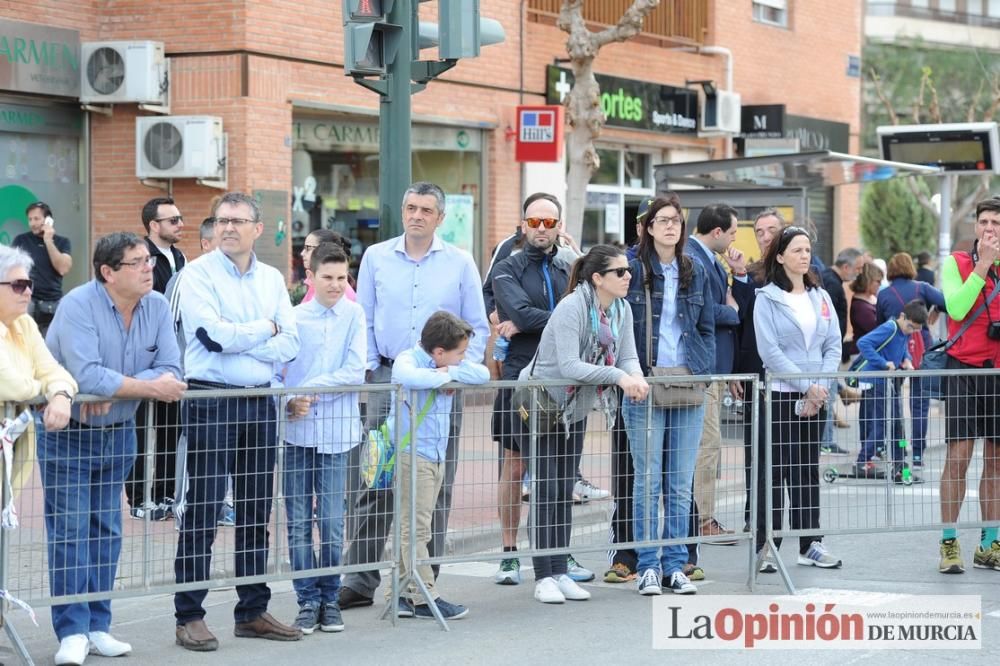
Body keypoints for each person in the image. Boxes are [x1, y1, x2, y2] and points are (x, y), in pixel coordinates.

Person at [339, 181, 490, 610]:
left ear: (440, 218)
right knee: (376, 478)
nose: (416, 215)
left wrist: (455, 374)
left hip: (441, 385)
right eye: (410, 207)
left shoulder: (460, 262)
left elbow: (476, 326)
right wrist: (371, 371)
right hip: (389, 379)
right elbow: (363, 317)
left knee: (435, 484)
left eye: (426, 209)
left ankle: (424, 580)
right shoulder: (375, 257)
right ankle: (361, 578)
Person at [40, 232, 186, 665]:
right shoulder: (78, 306)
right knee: (69, 533)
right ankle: (71, 631)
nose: (148, 268)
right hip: (69, 436)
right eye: (137, 262)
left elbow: (173, 371)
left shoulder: (157, 305)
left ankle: (98, 625)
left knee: (108, 531)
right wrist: (141, 386)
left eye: (148, 260)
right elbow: (85, 375)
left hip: (120, 433)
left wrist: (119, 386)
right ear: (108, 272)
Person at [173, 192, 301, 651]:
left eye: (237, 220)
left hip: (260, 402)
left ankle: (252, 611)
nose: (228, 227)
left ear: (257, 229)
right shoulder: (196, 275)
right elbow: (210, 338)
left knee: (255, 510)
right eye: (221, 220)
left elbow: (292, 342)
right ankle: (188, 615)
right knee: (204, 511)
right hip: (211, 400)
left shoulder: (271, 279)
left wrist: (246, 338)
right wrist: (264, 329)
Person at [513, 244, 648, 604]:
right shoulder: (572, 306)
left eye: (628, 270)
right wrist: (620, 377)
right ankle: (543, 575)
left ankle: (559, 570)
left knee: (564, 489)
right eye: (620, 272)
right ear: (598, 278)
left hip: (575, 408)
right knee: (547, 488)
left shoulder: (621, 309)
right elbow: (571, 365)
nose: (627, 276)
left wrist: (635, 376)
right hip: (542, 404)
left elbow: (629, 355)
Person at [623, 195, 715, 596]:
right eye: (662, 220)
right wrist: (628, 372)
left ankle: (675, 564)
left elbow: (707, 325)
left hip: (687, 381)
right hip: (644, 381)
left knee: (679, 482)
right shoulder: (631, 268)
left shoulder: (694, 269)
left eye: (676, 220)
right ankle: (646, 565)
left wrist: (703, 371)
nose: (670, 226)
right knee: (647, 481)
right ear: (647, 227)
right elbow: (616, 321)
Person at [276, 243, 365, 635]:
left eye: (342, 278)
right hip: (297, 432)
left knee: (329, 521)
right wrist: (289, 400)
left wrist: (310, 387)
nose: (335, 284)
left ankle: (331, 597)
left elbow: (355, 370)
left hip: (338, 433)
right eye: (327, 277)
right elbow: (276, 374)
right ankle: (306, 600)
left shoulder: (355, 315)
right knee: (297, 522)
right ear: (308, 277)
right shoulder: (293, 318)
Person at [490, 192, 572, 586]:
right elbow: (518, 311)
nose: (542, 229)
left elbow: (591, 310)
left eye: (549, 222)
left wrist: (530, 321)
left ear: (559, 226)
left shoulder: (570, 265)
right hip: (522, 375)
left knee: (559, 469)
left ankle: (559, 552)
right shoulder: (508, 266)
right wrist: (545, 320)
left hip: (565, 377)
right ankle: (509, 554)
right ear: (523, 224)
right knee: (517, 463)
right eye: (534, 222)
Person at [753, 225, 843, 571]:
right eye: (796, 250)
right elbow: (770, 351)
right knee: (775, 472)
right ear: (780, 257)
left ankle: (811, 544)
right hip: (781, 396)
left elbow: (833, 342)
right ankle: (767, 546)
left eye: (807, 250)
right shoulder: (767, 298)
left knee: (806, 470)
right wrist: (806, 384)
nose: (804, 256)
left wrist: (819, 387)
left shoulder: (820, 296)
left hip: (816, 398)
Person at [391, 311, 489, 619]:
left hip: (434, 454)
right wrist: (446, 375)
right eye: (459, 353)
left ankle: (404, 593)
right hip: (412, 454)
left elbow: (483, 374)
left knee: (417, 527)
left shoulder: (448, 364)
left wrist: (451, 370)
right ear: (438, 352)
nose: (463, 359)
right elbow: (410, 377)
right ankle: (423, 596)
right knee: (415, 529)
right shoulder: (407, 359)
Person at [937, 196, 1000, 575]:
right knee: (958, 458)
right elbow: (957, 309)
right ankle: (948, 542)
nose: (990, 229)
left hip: (998, 374)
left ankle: (990, 542)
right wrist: (983, 266)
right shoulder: (957, 263)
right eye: (985, 222)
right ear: (975, 227)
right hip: (962, 370)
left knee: (995, 463)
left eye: (996, 223)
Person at [0, 244, 76, 515]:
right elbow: (12, 384)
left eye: (29, 283)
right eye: (18, 285)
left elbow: (55, 371)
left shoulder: (25, 324)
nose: (29, 291)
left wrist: (61, 396)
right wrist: (41, 390)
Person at [127, 197, 188, 521]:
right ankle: (137, 497)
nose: (180, 224)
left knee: (169, 427)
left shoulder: (179, 256)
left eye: (180, 218)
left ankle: (164, 493)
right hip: (141, 358)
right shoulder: (141, 258)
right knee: (138, 429)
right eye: (173, 219)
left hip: (171, 358)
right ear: (154, 225)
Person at [684, 203, 741, 544]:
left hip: (716, 369)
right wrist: (732, 311)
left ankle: (701, 516)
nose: (735, 238)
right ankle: (701, 519)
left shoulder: (711, 260)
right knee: (707, 445)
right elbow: (704, 310)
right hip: (703, 369)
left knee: (709, 445)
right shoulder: (694, 258)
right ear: (717, 232)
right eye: (733, 232)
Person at [731, 208, 784, 539]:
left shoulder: (799, 271)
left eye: (771, 230)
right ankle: (756, 515)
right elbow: (739, 323)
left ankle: (792, 519)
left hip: (789, 375)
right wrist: (735, 371)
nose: (764, 236)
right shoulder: (749, 274)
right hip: (755, 372)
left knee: (788, 451)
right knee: (756, 448)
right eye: (760, 231)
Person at [875, 252, 945, 467]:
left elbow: (879, 324)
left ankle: (897, 452)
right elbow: (947, 301)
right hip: (921, 351)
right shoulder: (922, 288)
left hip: (894, 354)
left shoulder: (884, 294)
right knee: (919, 405)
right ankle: (917, 455)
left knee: (894, 405)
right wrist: (935, 311)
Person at [854, 300, 928, 482]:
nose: (911, 332)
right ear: (903, 317)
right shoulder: (891, 327)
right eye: (910, 327)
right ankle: (862, 461)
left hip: (889, 383)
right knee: (882, 426)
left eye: (915, 330)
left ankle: (899, 465)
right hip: (877, 382)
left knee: (897, 426)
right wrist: (882, 363)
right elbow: (863, 343)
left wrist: (907, 360)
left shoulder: (903, 330)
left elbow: (902, 349)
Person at [11, 201, 72, 336]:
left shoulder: (62, 242)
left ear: (48, 220)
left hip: (53, 303)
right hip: (27, 301)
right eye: (30, 219)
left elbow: (63, 268)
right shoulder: (21, 240)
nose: (32, 223)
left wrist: (48, 240)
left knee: (49, 347)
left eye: (37, 219)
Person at [300, 229, 356, 303]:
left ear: (324, 249)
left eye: (308, 248)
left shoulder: (338, 293)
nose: (302, 253)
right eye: (327, 277)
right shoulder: (315, 284)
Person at [847, 262, 883, 357]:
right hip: (862, 354)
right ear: (868, 281)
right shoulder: (860, 307)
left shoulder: (872, 298)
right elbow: (877, 331)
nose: (880, 284)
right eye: (878, 281)